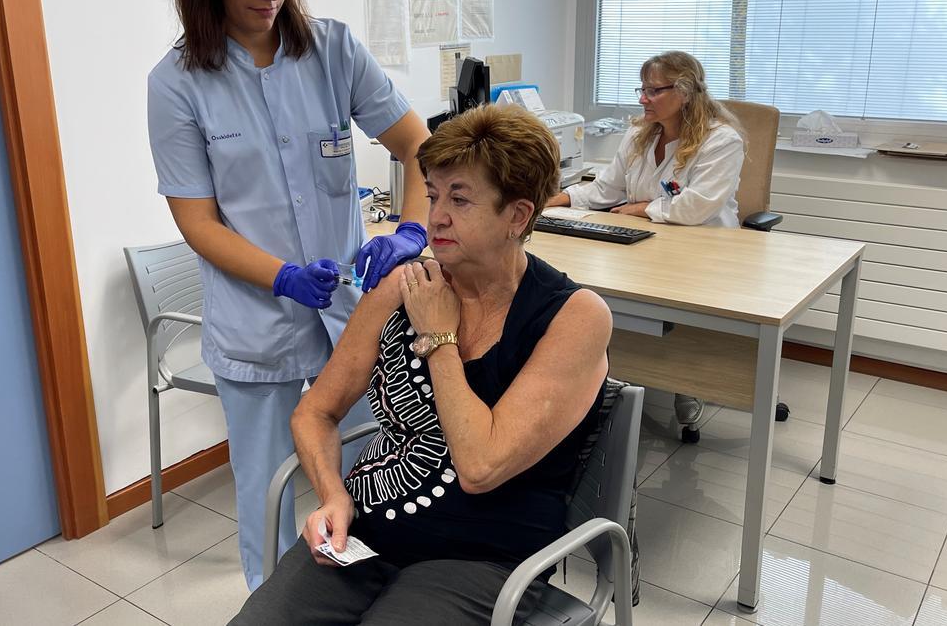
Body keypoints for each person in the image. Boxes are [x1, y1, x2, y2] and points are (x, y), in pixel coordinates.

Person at [228, 104, 614, 625]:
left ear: (518, 216)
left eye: (460, 199)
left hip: (481, 556)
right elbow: (314, 412)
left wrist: (438, 336)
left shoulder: (574, 317)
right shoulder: (402, 286)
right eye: (433, 195)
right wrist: (332, 496)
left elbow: (479, 467)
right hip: (364, 529)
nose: (436, 217)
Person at [146, 0, 430, 590]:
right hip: (255, 323)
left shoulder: (333, 50)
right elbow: (199, 223)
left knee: (374, 472)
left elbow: (418, 146)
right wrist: (282, 277)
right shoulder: (177, 82)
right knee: (265, 490)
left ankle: (372, 597)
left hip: (350, 317)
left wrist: (411, 232)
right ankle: (273, 604)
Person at [546, 50, 745, 436]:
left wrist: (640, 209)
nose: (643, 99)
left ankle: (687, 377)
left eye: (654, 91)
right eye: (642, 89)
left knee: (672, 304)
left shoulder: (721, 140)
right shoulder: (640, 134)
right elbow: (605, 190)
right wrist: (560, 199)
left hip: (703, 251)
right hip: (645, 246)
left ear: (684, 92)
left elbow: (696, 206)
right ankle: (617, 372)